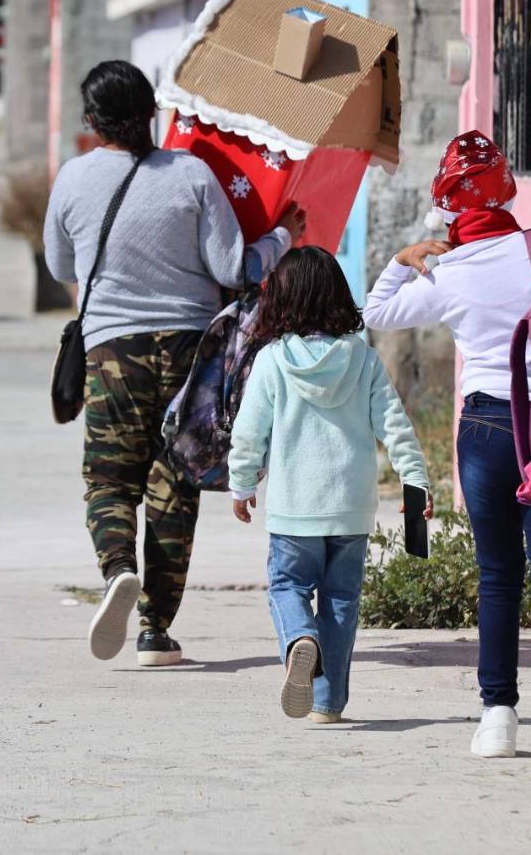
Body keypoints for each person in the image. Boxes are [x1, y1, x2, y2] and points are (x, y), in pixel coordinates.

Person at [44, 59, 304, 668]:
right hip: (191, 354)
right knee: (173, 483)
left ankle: (116, 571)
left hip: (112, 352)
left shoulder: (72, 178)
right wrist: (284, 234)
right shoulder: (190, 174)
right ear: (153, 115)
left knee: (109, 479)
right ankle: (155, 631)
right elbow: (233, 270)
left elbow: (61, 268)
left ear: (91, 121)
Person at [361, 130, 531, 773]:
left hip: (486, 429)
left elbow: (375, 312)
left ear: (449, 205)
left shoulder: (450, 273)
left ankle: (498, 718)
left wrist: (407, 253)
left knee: (498, 577)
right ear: (505, 188)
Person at [227, 246, 430, 724]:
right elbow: (395, 425)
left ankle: (299, 637)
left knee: (287, 585)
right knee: (341, 603)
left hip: (295, 508)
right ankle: (326, 704)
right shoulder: (363, 358)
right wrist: (415, 481)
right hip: (351, 510)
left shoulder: (273, 360)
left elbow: (248, 431)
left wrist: (241, 483)